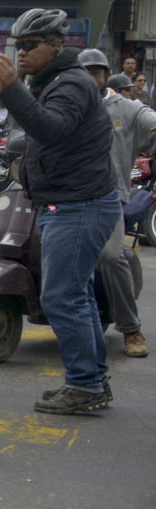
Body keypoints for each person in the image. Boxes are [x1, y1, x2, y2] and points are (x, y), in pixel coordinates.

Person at [0, 8, 121, 414]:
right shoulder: (50, 81)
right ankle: (93, 379)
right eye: (18, 46)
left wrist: (13, 88)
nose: (22, 53)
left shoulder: (71, 83)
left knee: (62, 295)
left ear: (57, 46)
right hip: (66, 202)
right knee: (74, 294)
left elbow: (51, 129)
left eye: (31, 46)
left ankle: (84, 385)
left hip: (80, 205)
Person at [87, 67, 156, 358]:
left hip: (109, 195)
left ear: (104, 75)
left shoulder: (125, 108)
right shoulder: (67, 100)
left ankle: (130, 327)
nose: (90, 77)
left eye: (96, 72)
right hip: (66, 194)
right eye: (84, 71)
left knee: (112, 256)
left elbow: (149, 121)